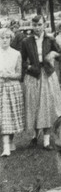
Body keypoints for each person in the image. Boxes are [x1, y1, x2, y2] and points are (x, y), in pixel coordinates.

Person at [19, 16, 61, 149]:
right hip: (33, 75)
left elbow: (60, 54)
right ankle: (34, 135)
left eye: (39, 25)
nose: (37, 28)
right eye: (34, 25)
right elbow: (22, 60)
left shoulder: (50, 39)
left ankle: (46, 141)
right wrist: (29, 67)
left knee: (47, 105)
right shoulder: (26, 41)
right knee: (34, 105)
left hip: (47, 74)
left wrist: (54, 54)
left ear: (44, 25)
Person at [0, 27, 24, 157]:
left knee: (11, 115)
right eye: (2, 38)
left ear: (11, 39)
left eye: (7, 38)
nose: (4, 40)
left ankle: (9, 142)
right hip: (0, 86)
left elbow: (19, 74)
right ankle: (5, 146)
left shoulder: (16, 54)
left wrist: (9, 75)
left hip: (12, 87)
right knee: (3, 116)